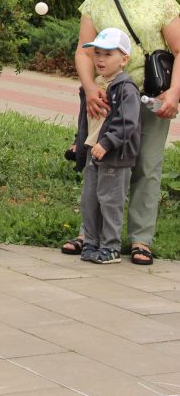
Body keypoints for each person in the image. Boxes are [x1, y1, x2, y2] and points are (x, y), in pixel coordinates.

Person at [62, 0, 180, 266]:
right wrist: (89, 88)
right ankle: (90, 235)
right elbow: (83, 52)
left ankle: (141, 239)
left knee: (146, 167)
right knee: (99, 166)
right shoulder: (96, 2)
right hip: (106, 99)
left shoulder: (162, 2)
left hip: (149, 99)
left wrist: (173, 93)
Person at [77, 28, 141, 265]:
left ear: (124, 59)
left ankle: (110, 246)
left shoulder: (126, 88)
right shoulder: (95, 85)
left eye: (108, 54)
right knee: (90, 199)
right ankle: (91, 242)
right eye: (97, 53)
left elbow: (128, 123)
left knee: (110, 201)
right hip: (93, 152)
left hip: (115, 156)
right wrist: (79, 142)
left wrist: (107, 143)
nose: (100, 59)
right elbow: (88, 119)